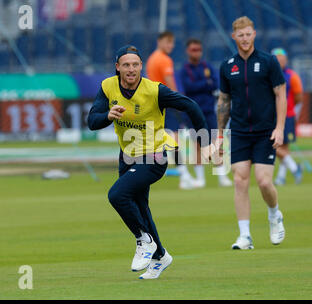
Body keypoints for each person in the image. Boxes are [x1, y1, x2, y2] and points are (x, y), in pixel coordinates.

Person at [87, 45, 210, 279]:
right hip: (127, 156)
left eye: (135, 65)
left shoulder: (155, 90)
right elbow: (92, 121)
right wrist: (108, 116)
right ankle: (161, 257)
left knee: (117, 195)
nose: (131, 69)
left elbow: (190, 106)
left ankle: (144, 240)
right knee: (141, 208)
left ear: (141, 67)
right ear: (117, 68)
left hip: (154, 156)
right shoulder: (107, 86)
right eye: (126, 65)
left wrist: (205, 143)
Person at [216, 16, 287, 250]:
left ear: (254, 34)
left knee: (265, 182)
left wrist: (279, 128)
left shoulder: (269, 62)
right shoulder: (227, 66)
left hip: (266, 131)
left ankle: (274, 215)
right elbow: (224, 101)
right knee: (239, 180)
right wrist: (219, 135)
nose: (245, 39)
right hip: (238, 132)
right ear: (233, 36)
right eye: (240, 35)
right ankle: (245, 236)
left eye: (248, 34)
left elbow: (281, 95)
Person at [146, 31, 199, 190]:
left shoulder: (151, 59)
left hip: (156, 102)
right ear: (160, 42)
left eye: (172, 43)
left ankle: (183, 174)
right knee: (174, 139)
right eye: (168, 42)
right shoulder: (164, 60)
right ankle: (184, 176)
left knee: (168, 138)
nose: (171, 46)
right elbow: (170, 84)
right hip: (167, 103)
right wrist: (178, 101)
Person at [180, 38, 232, 188]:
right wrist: (205, 84)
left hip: (209, 111)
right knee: (197, 144)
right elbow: (188, 87)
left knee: (216, 142)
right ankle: (200, 179)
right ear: (187, 51)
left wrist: (202, 85)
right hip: (193, 112)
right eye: (193, 49)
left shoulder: (207, 66)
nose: (196, 52)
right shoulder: (185, 70)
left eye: (198, 49)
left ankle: (222, 176)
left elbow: (216, 83)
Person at [271, 48, 303, 186]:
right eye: (277, 59)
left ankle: (285, 174)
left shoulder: (292, 76)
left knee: (281, 146)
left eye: (282, 59)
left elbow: (299, 97)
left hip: (287, 115)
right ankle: (291, 170)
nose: (280, 61)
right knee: (277, 146)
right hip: (271, 115)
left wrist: (287, 108)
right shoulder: (268, 75)